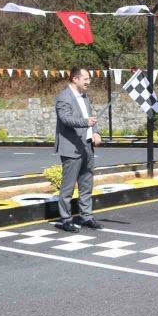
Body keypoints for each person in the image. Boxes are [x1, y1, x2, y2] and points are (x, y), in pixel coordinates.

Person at [54, 67, 102, 232]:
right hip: (71, 148)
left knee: (86, 185)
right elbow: (66, 119)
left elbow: (91, 120)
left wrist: (95, 133)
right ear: (75, 79)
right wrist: (85, 122)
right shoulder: (63, 97)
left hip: (87, 146)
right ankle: (66, 219)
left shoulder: (84, 97)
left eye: (88, 79)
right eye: (85, 79)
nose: (88, 82)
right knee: (68, 187)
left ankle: (86, 216)